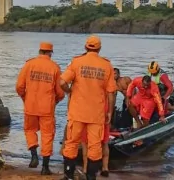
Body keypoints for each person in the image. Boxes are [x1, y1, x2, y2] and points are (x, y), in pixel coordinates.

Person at [59, 35, 116, 180]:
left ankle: (68, 175)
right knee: (95, 146)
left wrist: (69, 91)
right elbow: (111, 92)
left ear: (85, 47)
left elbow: (61, 82)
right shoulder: (106, 65)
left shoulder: (77, 62)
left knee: (71, 143)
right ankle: (91, 177)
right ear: (99, 48)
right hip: (96, 114)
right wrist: (109, 112)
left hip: (77, 111)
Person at [15, 42, 65, 175]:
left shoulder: (29, 64)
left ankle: (34, 156)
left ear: (40, 51)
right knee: (47, 135)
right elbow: (60, 92)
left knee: (29, 130)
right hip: (47, 108)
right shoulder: (55, 67)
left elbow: (19, 86)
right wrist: (55, 101)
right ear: (50, 53)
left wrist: (25, 98)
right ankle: (45, 167)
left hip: (30, 106)